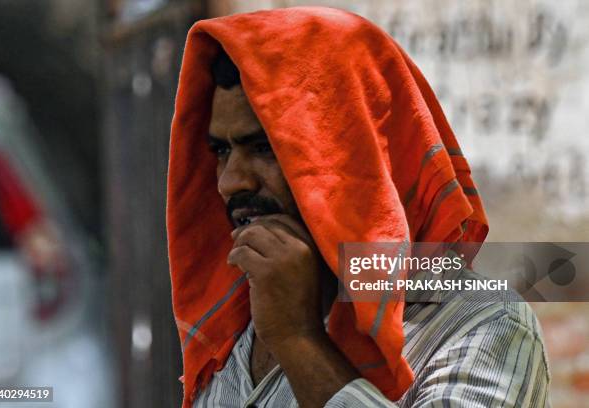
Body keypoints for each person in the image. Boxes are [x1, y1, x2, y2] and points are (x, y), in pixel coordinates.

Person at [167, 7, 550, 408]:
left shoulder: (481, 326)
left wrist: (299, 340)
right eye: (222, 151)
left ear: (351, 155)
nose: (231, 181)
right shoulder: (234, 326)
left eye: (265, 148)